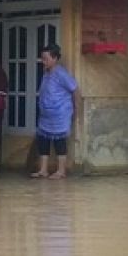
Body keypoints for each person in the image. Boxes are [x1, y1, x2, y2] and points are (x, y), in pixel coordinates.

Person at [32, 43, 79, 180]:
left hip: (60, 115)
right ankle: (43, 170)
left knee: (59, 142)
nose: (43, 61)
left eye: (45, 58)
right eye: (42, 58)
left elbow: (75, 90)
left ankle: (61, 170)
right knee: (43, 141)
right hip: (46, 116)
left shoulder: (61, 73)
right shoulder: (46, 73)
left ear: (54, 58)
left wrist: (76, 110)